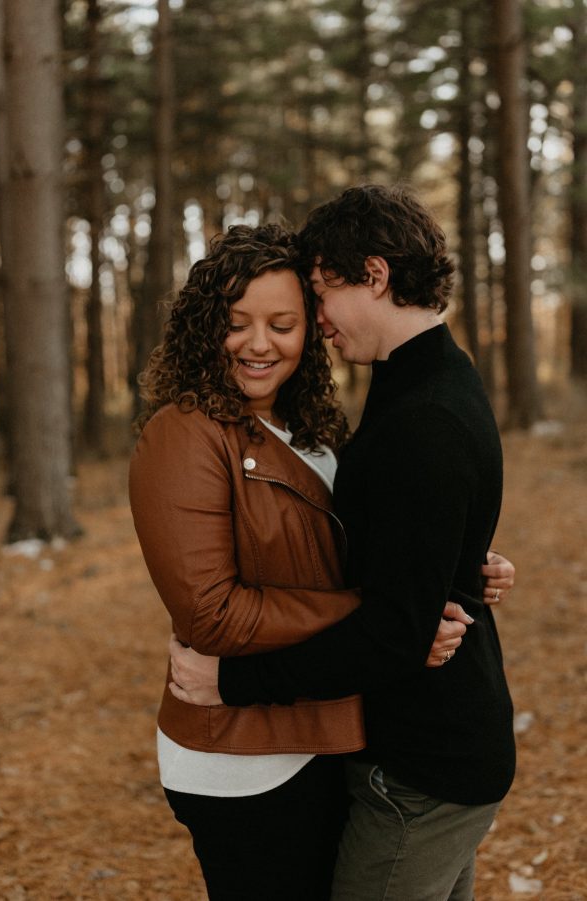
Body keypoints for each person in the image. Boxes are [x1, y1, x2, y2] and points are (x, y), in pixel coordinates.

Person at [168, 188, 517, 901]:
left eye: (322, 291)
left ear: (376, 275)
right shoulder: (420, 379)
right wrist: (456, 568)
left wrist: (230, 683)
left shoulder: (426, 418)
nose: (318, 319)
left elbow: (393, 633)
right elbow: (402, 540)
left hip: (423, 768)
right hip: (428, 744)